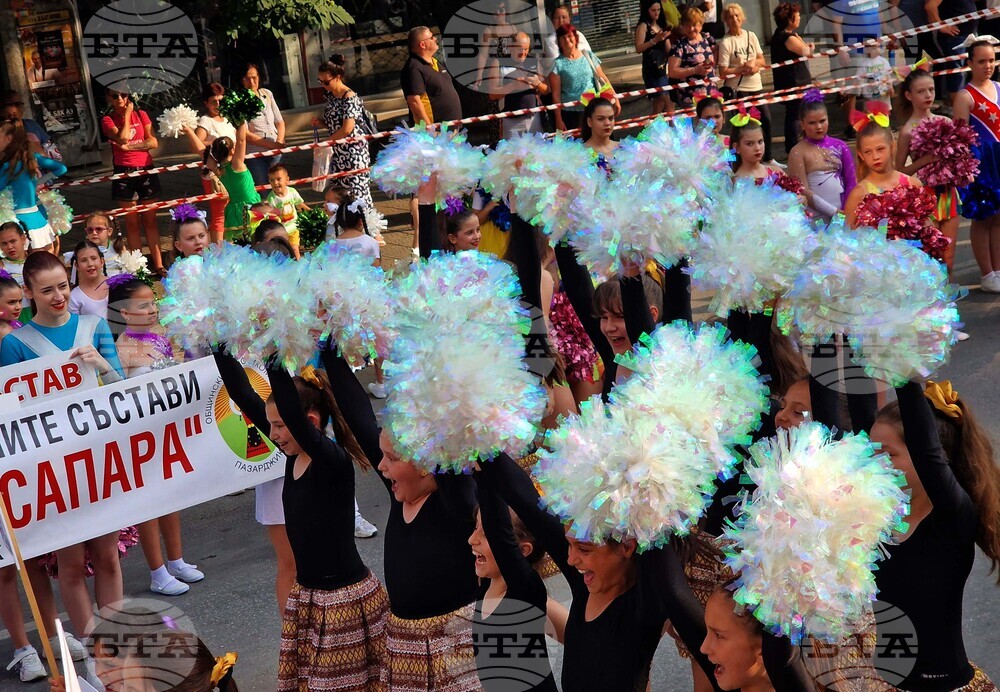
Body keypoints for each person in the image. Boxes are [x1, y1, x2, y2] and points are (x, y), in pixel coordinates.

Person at [214, 344, 388, 691]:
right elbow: (240, 391)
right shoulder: (291, 453)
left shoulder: (331, 460)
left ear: (308, 421)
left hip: (343, 600)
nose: (273, 434)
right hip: (307, 597)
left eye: (279, 425)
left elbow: (290, 414)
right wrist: (217, 338)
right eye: (271, 425)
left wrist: (274, 344)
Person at [0, 251, 124, 676]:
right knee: (71, 565)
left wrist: (102, 366)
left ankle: (116, 649)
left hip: (101, 459)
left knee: (108, 557)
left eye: (63, 286)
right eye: (47, 289)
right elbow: (11, 413)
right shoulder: (15, 344)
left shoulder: (94, 325)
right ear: (29, 292)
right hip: (55, 469)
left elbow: (124, 390)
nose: (58, 296)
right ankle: (94, 659)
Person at [869, 380, 1000, 691]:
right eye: (871, 453)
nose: (874, 465)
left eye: (887, 454)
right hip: (884, 682)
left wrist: (900, 365)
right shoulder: (878, 513)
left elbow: (927, 454)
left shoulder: (953, 517)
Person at [106, 275, 204, 597]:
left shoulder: (160, 338)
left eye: (153, 302)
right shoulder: (121, 350)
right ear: (124, 313)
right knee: (149, 503)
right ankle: (157, 571)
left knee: (172, 496)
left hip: (165, 430)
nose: (152, 309)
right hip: (139, 437)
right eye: (143, 305)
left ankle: (176, 560)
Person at [470, 465, 560, 691]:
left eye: (485, 533)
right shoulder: (488, 584)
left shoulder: (525, 591)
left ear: (522, 551)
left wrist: (484, 469)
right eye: (475, 528)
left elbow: (501, 533)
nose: (472, 539)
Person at [401, 26, 462, 260]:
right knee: (429, 191)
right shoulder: (414, 68)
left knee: (448, 187)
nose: (435, 39)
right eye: (431, 37)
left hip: (451, 134)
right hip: (434, 137)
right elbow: (415, 101)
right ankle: (430, 242)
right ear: (421, 45)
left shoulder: (434, 63)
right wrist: (430, 129)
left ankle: (450, 234)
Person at [896, 66, 961, 274]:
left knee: (949, 256)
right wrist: (926, 160)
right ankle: (934, 303)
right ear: (908, 95)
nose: (928, 95)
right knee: (934, 256)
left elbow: (959, 158)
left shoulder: (945, 121)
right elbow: (899, 170)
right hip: (925, 198)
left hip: (949, 194)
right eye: (921, 91)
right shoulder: (907, 131)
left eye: (931, 90)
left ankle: (948, 303)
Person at [953, 39, 1000, 294]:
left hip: (999, 161)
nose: (988, 66)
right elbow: (958, 140)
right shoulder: (965, 96)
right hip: (979, 164)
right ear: (969, 63)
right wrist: (965, 169)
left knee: (999, 217)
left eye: (991, 60)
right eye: (981, 61)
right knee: (983, 219)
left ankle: (998, 269)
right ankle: (987, 272)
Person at [100, 88, 164, 275]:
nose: (120, 98)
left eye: (124, 94)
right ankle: (139, 267)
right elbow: (123, 137)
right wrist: (127, 115)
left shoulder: (142, 114)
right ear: (108, 98)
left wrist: (130, 147)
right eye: (114, 95)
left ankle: (159, 265)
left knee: (150, 220)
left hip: (146, 169)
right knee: (132, 222)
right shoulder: (108, 119)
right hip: (124, 172)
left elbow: (153, 142)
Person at [312, 53, 374, 212]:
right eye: (320, 81)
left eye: (326, 82)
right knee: (338, 193)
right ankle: (343, 223)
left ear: (338, 77)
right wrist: (322, 123)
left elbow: (347, 128)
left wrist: (326, 142)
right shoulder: (331, 95)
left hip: (354, 151)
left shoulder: (350, 96)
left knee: (357, 190)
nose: (323, 85)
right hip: (338, 152)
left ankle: (368, 225)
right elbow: (335, 124)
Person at [786, 89, 856, 220]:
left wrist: (847, 210)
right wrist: (834, 212)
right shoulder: (797, 152)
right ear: (802, 125)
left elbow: (851, 181)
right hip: (816, 218)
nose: (818, 126)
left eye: (822, 121)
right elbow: (802, 191)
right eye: (812, 123)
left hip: (844, 214)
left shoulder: (841, 146)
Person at [718, 3, 774, 164]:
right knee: (742, 126)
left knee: (766, 120)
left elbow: (762, 59)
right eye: (730, 17)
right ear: (726, 21)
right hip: (739, 88)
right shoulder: (726, 42)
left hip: (756, 86)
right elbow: (723, 71)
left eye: (737, 16)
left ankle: (768, 157)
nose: (734, 19)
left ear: (742, 18)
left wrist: (754, 64)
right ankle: (740, 160)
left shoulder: (751, 36)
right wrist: (741, 68)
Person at [0, 118, 67, 253]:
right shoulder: (31, 158)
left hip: (20, 224)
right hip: (39, 219)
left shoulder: (7, 167)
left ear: (9, 138)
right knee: (48, 266)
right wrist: (39, 182)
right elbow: (61, 168)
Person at [182, 82, 236, 243]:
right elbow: (195, 144)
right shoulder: (206, 120)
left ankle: (232, 242)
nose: (217, 105)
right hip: (214, 172)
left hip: (231, 168)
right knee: (219, 212)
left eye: (220, 100)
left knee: (233, 207)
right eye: (213, 101)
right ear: (206, 103)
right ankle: (218, 250)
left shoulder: (228, 118)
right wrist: (216, 143)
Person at [844, 118, 922, 228]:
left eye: (880, 149)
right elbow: (846, 236)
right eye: (868, 152)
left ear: (892, 146)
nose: (875, 157)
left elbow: (929, 227)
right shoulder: (859, 194)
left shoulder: (913, 184)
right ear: (861, 155)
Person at [549, 24, 620, 132]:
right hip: (571, 115)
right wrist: (558, 120)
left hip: (593, 109)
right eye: (563, 37)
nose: (567, 40)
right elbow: (556, 94)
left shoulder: (588, 55)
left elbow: (603, 78)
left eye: (570, 36)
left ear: (576, 38)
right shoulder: (557, 64)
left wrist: (615, 98)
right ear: (559, 42)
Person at [200, 123, 262, 241]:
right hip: (250, 207)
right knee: (256, 240)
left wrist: (189, 132)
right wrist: (241, 121)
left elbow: (201, 150)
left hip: (232, 211)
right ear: (232, 150)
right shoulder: (237, 165)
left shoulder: (218, 169)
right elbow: (241, 140)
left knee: (239, 244)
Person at [770, 3, 814, 157]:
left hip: (793, 82)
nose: (800, 17)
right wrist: (805, 44)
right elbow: (805, 51)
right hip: (793, 83)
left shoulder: (782, 35)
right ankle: (793, 147)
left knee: (796, 114)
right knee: (795, 115)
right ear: (790, 19)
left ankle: (798, 144)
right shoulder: (786, 37)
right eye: (797, 15)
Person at [487, 32, 549, 138]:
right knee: (513, 154)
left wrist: (537, 83)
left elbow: (547, 89)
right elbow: (492, 94)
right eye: (520, 49)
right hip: (510, 121)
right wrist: (513, 86)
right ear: (510, 47)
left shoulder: (533, 61)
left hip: (533, 118)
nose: (523, 53)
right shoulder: (498, 63)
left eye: (526, 49)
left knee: (537, 153)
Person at [926, 0, 979, 110]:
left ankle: (966, 104)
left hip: (969, 34)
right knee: (956, 73)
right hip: (954, 37)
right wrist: (941, 26)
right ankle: (957, 108)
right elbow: (930, 6)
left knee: (967, 71)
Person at [239, 63, 285, 185]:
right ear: (242, 80)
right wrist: (271, 145)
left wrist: (279, 141)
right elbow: (246, 134)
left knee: (279, 185)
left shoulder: (267, 93)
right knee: (263, 186)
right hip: (255, 153)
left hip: (275, 149)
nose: (252, 82)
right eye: (247, 78)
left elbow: (279, 121)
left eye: (254, 77)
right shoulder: (239, 100)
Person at [667, 7, 718, 109]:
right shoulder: (679, 45)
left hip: (711, 93)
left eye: (694, 25)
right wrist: (694, 70)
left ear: (701, 24)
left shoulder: (708, 38)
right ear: (682, 26)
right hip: (690, 98)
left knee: (712, 124)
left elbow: (716, 51)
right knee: (696, 125)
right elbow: (672, 71)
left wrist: (712, 66)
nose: (691, 29)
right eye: (687, 25)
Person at [635, 0, 674, 115]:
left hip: (664, 67)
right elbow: (639, 48)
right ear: (647, 10)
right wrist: (655, 40)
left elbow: (668, 49)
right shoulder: (643, 26)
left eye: (658, 10)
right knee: (667, 100)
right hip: (653, 69)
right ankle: (675, 128)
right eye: (653, 10)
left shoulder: (660, 25)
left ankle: (651, 130)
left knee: (659, 102)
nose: (656, 13)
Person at [266, 164, 308, 260]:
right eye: (271, 180)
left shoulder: (292, 192)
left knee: (295, 249)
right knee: (284, 252)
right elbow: (272, 216)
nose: (275, 183)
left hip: (293, 228)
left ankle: (299, 267)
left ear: (287, 180)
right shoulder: (271, 199)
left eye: (278, 179)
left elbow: (300, 205)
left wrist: (310, 212)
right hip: (281, 231)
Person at [0, 220, 33, 321]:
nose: (10, 247)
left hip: (37, 310)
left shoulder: (35, 261)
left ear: (23, 239)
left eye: (13, 241)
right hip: (13, 317)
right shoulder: (2, 267)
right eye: (4, 243)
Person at [68, 240, 109, 319]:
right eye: (84, 260)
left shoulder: (116, 284)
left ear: (102, 261)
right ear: (77, 265)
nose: (90, 264)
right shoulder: (74, 297)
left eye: (94, 258)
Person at [731, 116, 779, 180]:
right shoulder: (736, 181)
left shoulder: (776, 172)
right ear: (736, 148)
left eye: (760, 142)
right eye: (750, 144)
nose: (757, 148)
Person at [580, 97, 618, 175]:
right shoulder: (582, 154)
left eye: (611, 118)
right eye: (601, 119)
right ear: (589, 122)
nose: (607, 123)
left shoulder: (623, 147)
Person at [0, 270, 23, 340]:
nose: (18, 307)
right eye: (12, 302)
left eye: (20, 301)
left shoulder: (12, 323)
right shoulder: (4, 332)